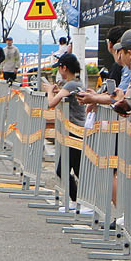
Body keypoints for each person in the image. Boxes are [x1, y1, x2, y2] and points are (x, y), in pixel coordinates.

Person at [44, 53, 87, 212]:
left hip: (75, 131)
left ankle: (79, 202)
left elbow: (51, 103)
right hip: (76, 130)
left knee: (63, 169)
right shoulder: (76, 83)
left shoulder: (71, 85)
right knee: (76, 169)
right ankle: (79, 202)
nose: (59, 72)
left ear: (64, 68)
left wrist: (49, 90)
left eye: (60, 68)